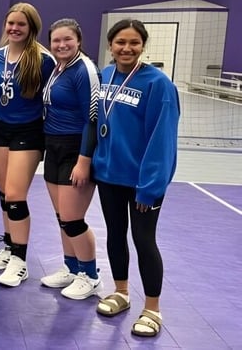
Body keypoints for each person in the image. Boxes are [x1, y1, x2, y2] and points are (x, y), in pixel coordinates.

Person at [92, 19, 179, 338]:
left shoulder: (158, 84)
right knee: (115, 234)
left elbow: (162, 139)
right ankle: (121, 292)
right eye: (120, 43)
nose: (126, 48)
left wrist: (151, 187)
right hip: (109, 175)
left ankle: (153, 308)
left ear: (143, 45)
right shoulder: (105, 75)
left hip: (143, 182)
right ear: (110, 46)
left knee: (144, 240)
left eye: (134, 43)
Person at [0, 2, 55, 287]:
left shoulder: (43, 59)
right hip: (0, 127)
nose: (14, 28)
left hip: (29, 130)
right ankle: (11, 246)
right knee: (4, 193)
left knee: (15, 194)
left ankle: (20, 261)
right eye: (10, 23)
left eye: (21, 25)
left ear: (32, 28)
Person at [39, 18, 102, 299]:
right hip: (54, 147)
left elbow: (93, 119)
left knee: (73, 219)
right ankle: (72, 268)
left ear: (79, 41)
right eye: (56, 41)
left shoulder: (84, 69)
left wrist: (83, 160)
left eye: (67, 40)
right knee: (61, 217)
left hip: (76, 148)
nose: (61, 45)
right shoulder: (58, 68)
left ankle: (90, 275)